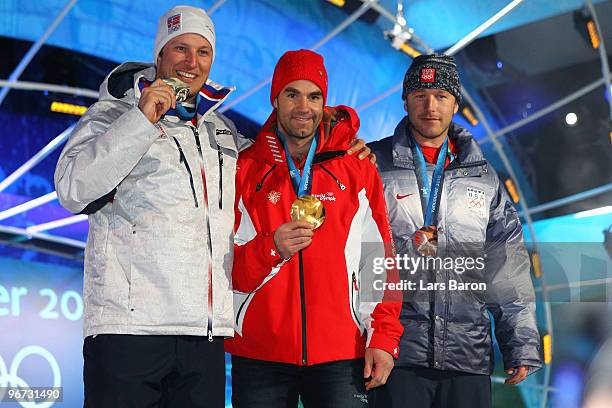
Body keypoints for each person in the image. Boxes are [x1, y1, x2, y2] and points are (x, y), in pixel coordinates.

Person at [54, 5, 373, 407]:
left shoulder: (218, 131)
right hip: (129, 330)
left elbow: (277, 160)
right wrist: (140, 120)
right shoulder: (114, 114)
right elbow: (72, 188)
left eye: (203, 52)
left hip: (202, 337)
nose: (192, 62)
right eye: (180, 49)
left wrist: (340, 141)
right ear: (159, 56)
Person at [225, 49, 404, 407]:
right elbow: (230, 271)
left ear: (325, 102)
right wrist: (270, 247)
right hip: (261, 354)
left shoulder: (356, 167)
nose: (303, 107)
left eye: (313, 96)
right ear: (275, 98)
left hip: (342, 352)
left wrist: (383, 337)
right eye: (292, 94)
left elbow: (378, 259)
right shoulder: (244, 170)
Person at [368, 54, 542, 408]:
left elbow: (506, 265)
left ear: (456, 104)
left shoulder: (484, 176)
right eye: (420, 95)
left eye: (441, 96)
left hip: (467, 356)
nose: (430, 106)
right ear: (405, 100)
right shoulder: (372, 164)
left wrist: (520, 342)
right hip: (395, 353)